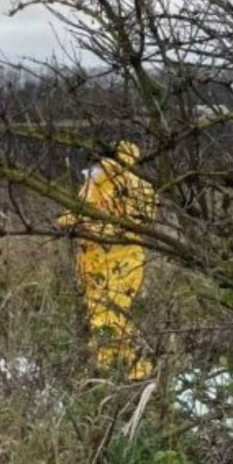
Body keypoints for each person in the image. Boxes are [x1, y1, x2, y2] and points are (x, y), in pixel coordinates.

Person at [56, 140, 157, 380]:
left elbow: (83, 217)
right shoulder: (138, 182)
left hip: (108, 261)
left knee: (107, 318)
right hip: (126, 260)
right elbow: (142, 220)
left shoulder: (101, 179)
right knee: (115, 316)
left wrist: (72, 223)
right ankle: (124, 373)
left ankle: (118, 373)